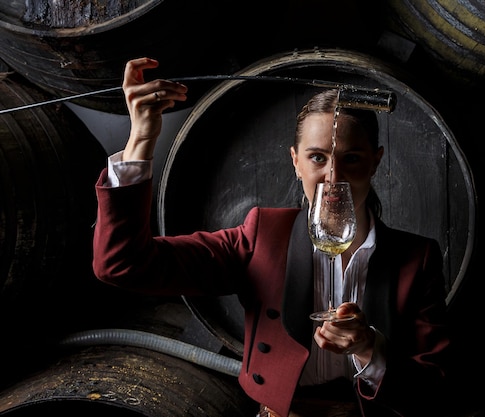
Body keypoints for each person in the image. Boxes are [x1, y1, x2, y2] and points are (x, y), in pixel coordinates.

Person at [92, 57, 451, 417]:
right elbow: (123, 265)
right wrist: (140, 139)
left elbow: (434, 387)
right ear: (295, 162)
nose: (333, 176)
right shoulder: (261, 235)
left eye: (352, 158)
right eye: (317, 157)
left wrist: (371, 349)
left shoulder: (415, 258)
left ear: (376, 162)